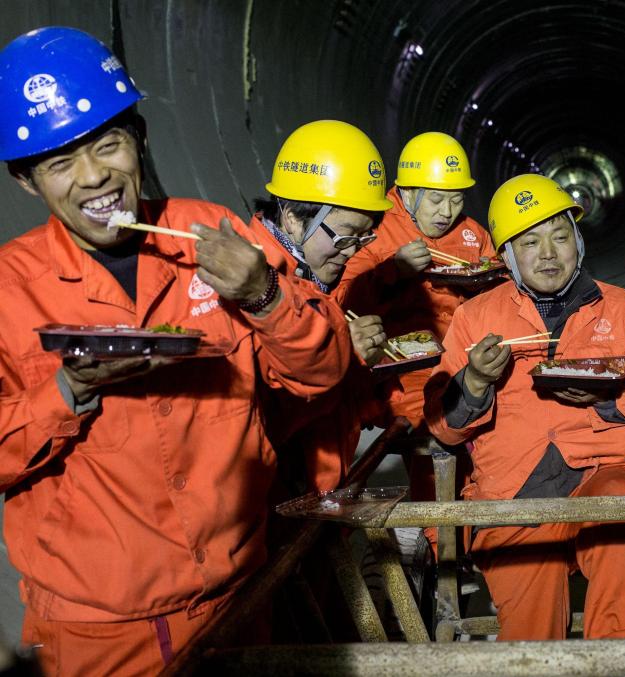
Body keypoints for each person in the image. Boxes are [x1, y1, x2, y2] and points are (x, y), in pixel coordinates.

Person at [0, 28, 346, 673]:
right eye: (59, 164)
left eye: (109, 145)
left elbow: (322, 373)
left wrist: (266, 295)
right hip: (94, 630)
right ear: (27, 183)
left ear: (141, 141)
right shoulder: (7, 292)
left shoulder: (212, 235)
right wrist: (68, 392)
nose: (93, 177)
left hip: (238, 598)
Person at [424, 174, 625, 640]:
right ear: (508, 256)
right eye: (530, 242)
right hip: (515, 490)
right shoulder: (475, 317)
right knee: (531, 635)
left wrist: (612, 398)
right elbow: (443, 428)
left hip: (605, 472)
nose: (549, 254)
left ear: (578, 240)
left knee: (621, 529)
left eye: (560, 236)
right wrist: (474, 382)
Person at [250, 119, 395, 491]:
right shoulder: (256, 294)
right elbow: (255, 422)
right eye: (346, 236)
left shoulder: (313, 278)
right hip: (275, 509)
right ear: (294, 218)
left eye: (364, 238)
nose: (351, 252)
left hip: (320, 497)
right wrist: (343, 356)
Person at [337, 131, 497, 430]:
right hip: (400, 366)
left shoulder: (471, 234)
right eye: (436, 199)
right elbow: (342, 301)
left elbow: (503, 295)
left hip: (463, 355)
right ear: (408, 193)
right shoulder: (375, 227)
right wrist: (393, 271)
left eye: (456, 200)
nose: (447, 212)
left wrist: (484, 284)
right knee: (433, 419)